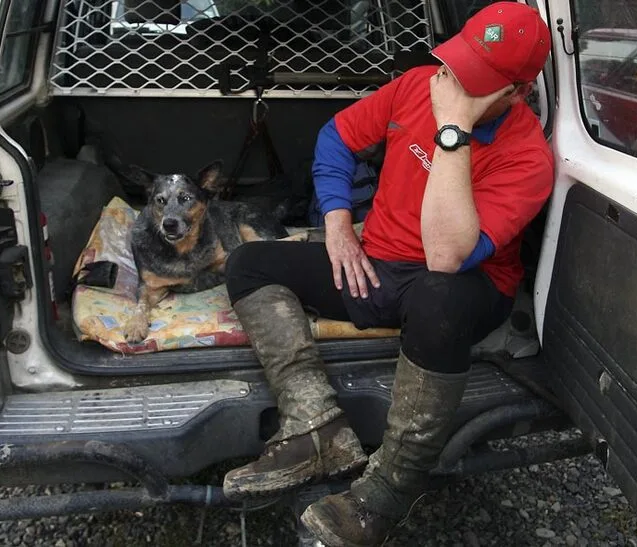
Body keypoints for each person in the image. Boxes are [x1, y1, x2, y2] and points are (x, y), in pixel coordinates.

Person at [221, 3, 554, 545]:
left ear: (514, 93)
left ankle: (388, 491)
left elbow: (446, 256)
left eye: (471, 81)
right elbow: (336, 136)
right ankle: (315, 427)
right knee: (249, 264)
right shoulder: (416, 83)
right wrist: (336, 223)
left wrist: (453, 129)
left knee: (437, 295)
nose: (449, 82)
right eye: (454, 65)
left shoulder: (527, 158)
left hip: (458, 285)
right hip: (376, 265)